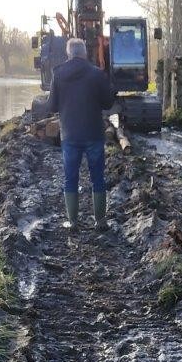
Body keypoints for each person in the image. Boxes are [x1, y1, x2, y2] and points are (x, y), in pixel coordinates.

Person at [45, 38, 117, 230]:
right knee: (98, 177)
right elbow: (107, 103)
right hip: (93, 133)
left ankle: (73, 221)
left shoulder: (58, 74)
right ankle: (100, 221)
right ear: (84, 53)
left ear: (68, 53)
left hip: (69, 134)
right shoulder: (96, 74)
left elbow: (51, 106)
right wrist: (112, 89)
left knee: (70, 177)